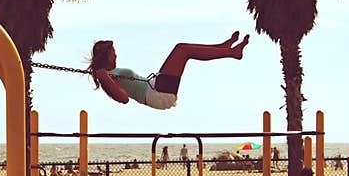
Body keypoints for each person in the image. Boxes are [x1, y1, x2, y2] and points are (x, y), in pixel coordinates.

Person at [87, 32, 249, 109]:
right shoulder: (107, 77)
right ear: (106, 56)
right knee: (182, 50)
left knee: (184, 50)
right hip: (157, 93)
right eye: (113, 52)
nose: (116, 55)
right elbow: (123, 98)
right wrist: (102, 77)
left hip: (156, 87)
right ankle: (230, 52)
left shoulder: (109, 75)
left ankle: (222, 48)